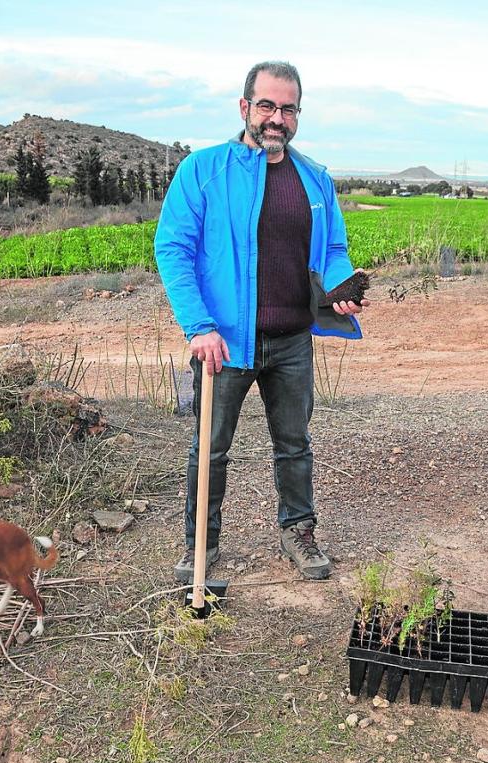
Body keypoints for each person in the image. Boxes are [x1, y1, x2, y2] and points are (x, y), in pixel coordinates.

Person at [154, 60, 368, 584]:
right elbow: (173, 248)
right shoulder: (203, 170)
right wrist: (198, 326)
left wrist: (339, 285)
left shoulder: (314, 179)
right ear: (245, 107)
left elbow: (333, 248)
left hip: (292, 339)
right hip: (223, 342)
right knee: (210, 449)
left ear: (298, 115)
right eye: (267, 105)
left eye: (288, 109)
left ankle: (298, 530)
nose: (277, 118)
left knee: (294, 444)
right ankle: (201, 545)